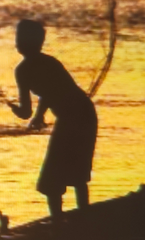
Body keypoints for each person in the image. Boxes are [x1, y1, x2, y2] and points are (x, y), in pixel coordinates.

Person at [9, 20, 98, 218]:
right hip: (78, 115)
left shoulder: (29, 69)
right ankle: (74, 220)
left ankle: (65, 222)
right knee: (70, 174)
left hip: (77, 116)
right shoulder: (42, 65)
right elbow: (36, 103)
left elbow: (35, 104)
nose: (17, 42)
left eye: (20, 38)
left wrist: (30, 113)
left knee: (61, 176)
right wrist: (31, 113)